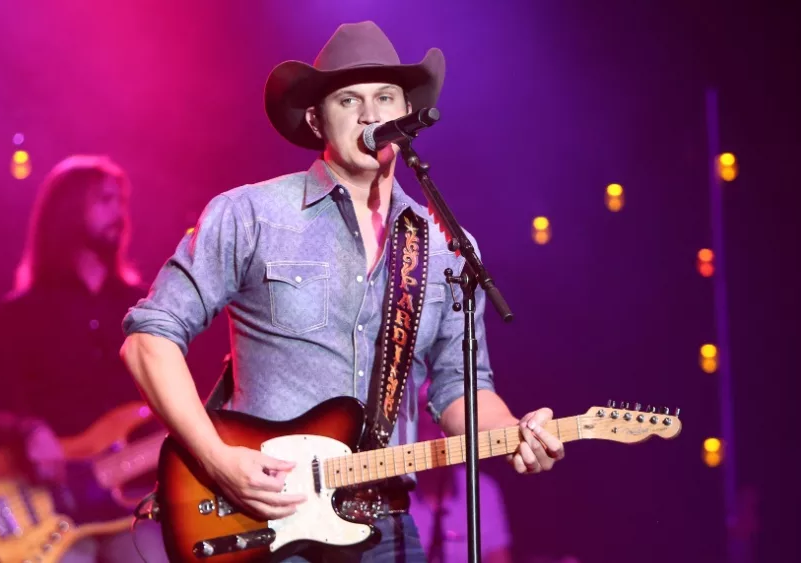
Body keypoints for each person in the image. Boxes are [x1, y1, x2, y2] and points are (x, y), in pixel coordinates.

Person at [120, 21, 565, 562]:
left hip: (387, 527)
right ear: (315, 119)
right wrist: (216, 460)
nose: (370, 114)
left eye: (385, 98)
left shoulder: (448, 246)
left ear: (405, 115)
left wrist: (518, 431)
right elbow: (149, 341)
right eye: (349, 99)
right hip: (264, 521)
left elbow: (459, 391)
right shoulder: (251, 215)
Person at [0, 155, 168, 563]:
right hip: (49, 504)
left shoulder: (145, 306)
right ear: (68, 211)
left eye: (122, 201)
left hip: (132, 500)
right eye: (104, 200)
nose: (119, 213)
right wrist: (28, 432)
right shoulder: (23, 312)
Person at [409, 384, 513, 563]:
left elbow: (499, 558)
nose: (432, 425)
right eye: (425, 413)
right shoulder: (391, 491)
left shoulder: (483, 489)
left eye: (441, 413)